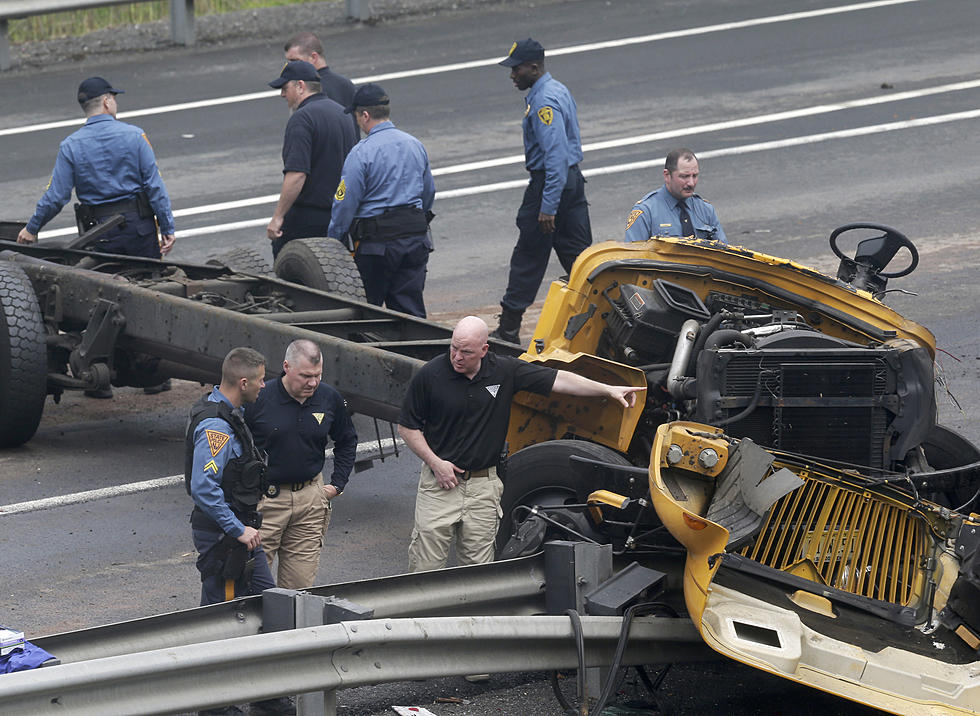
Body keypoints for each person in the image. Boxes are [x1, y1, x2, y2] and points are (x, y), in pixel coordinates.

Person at [398, 316, 644, 572]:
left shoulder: (504, 371)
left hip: (484, 488)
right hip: (440, 484)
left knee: (478, 572)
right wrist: (435, 463)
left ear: (484, 350)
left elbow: (559, 380)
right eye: (454, 348)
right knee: (426, 568)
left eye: (466, 352)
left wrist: (607, 390)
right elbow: (407, 427)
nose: (457, 357)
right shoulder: (430, 375)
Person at [492, 38, 592, 345]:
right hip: (571, 182)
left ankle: (508, 329)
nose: (512, 76)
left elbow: (555, 157)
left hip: (551, 185)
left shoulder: (544, 102)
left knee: (528, 257)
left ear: (533, 68)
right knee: (580, 259)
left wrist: (547, 205)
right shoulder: (557, 89)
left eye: (516, 69)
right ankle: (605, 318)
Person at [17, 76, 176, 258]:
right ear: (106, 102)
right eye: (114, 98)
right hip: (138, 229)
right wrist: (167, 226)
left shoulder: (70, 146)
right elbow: (154, 186)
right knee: (150, 280)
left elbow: (56, 196)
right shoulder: (136, 136)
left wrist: (32, 228)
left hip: (98, 233)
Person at [244, 339, 357, 590]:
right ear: (286, 367)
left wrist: (337, 484)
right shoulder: (259, 398)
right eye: (306, 376)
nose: (313, 383)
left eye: (318, 375)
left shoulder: (329, 398)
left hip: (310, 502)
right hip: (266, 503)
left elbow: (347, 440)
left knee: (298, 589)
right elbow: (236, 449)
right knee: (252, 584)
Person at [327, 83, 435, 318]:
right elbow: (428, 194)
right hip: (415, 239)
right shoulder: (414, 144)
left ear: (365, 115)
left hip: (377, 246)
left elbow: (345, 204)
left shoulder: (361, 152)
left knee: (368, 312)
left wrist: (334, 241)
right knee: (411, 312)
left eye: (357, 117)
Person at [185, 347, 275, 607]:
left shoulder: (231, 414)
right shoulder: (216, 427)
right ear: (244, 383)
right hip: (225, 534)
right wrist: (237, 529)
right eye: (260, 379)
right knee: (223, 612)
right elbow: (203, 487)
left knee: (265, 598)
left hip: (239, 530)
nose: (263, 385)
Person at [266, 60, 358, 258]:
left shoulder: (302, 118)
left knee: (294, 279)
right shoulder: (343, 114)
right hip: (339, 214)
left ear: (300, 85)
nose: (282, 95)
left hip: (307, 219)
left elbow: (297, 174)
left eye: (284, 88)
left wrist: (278, 217)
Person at [624, 148, 727, 244]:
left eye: (694, 176)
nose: (691, 183)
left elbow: (724, 254)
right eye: (684, 176)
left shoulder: (706, 210)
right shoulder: (646, 213)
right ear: (667, 176)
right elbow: (633, 258)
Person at [283, 31, 359, 137]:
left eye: (295, 61)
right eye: (288, 62)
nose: (290, 66)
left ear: (314, 57)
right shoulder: (346, 84)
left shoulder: (305, 89)